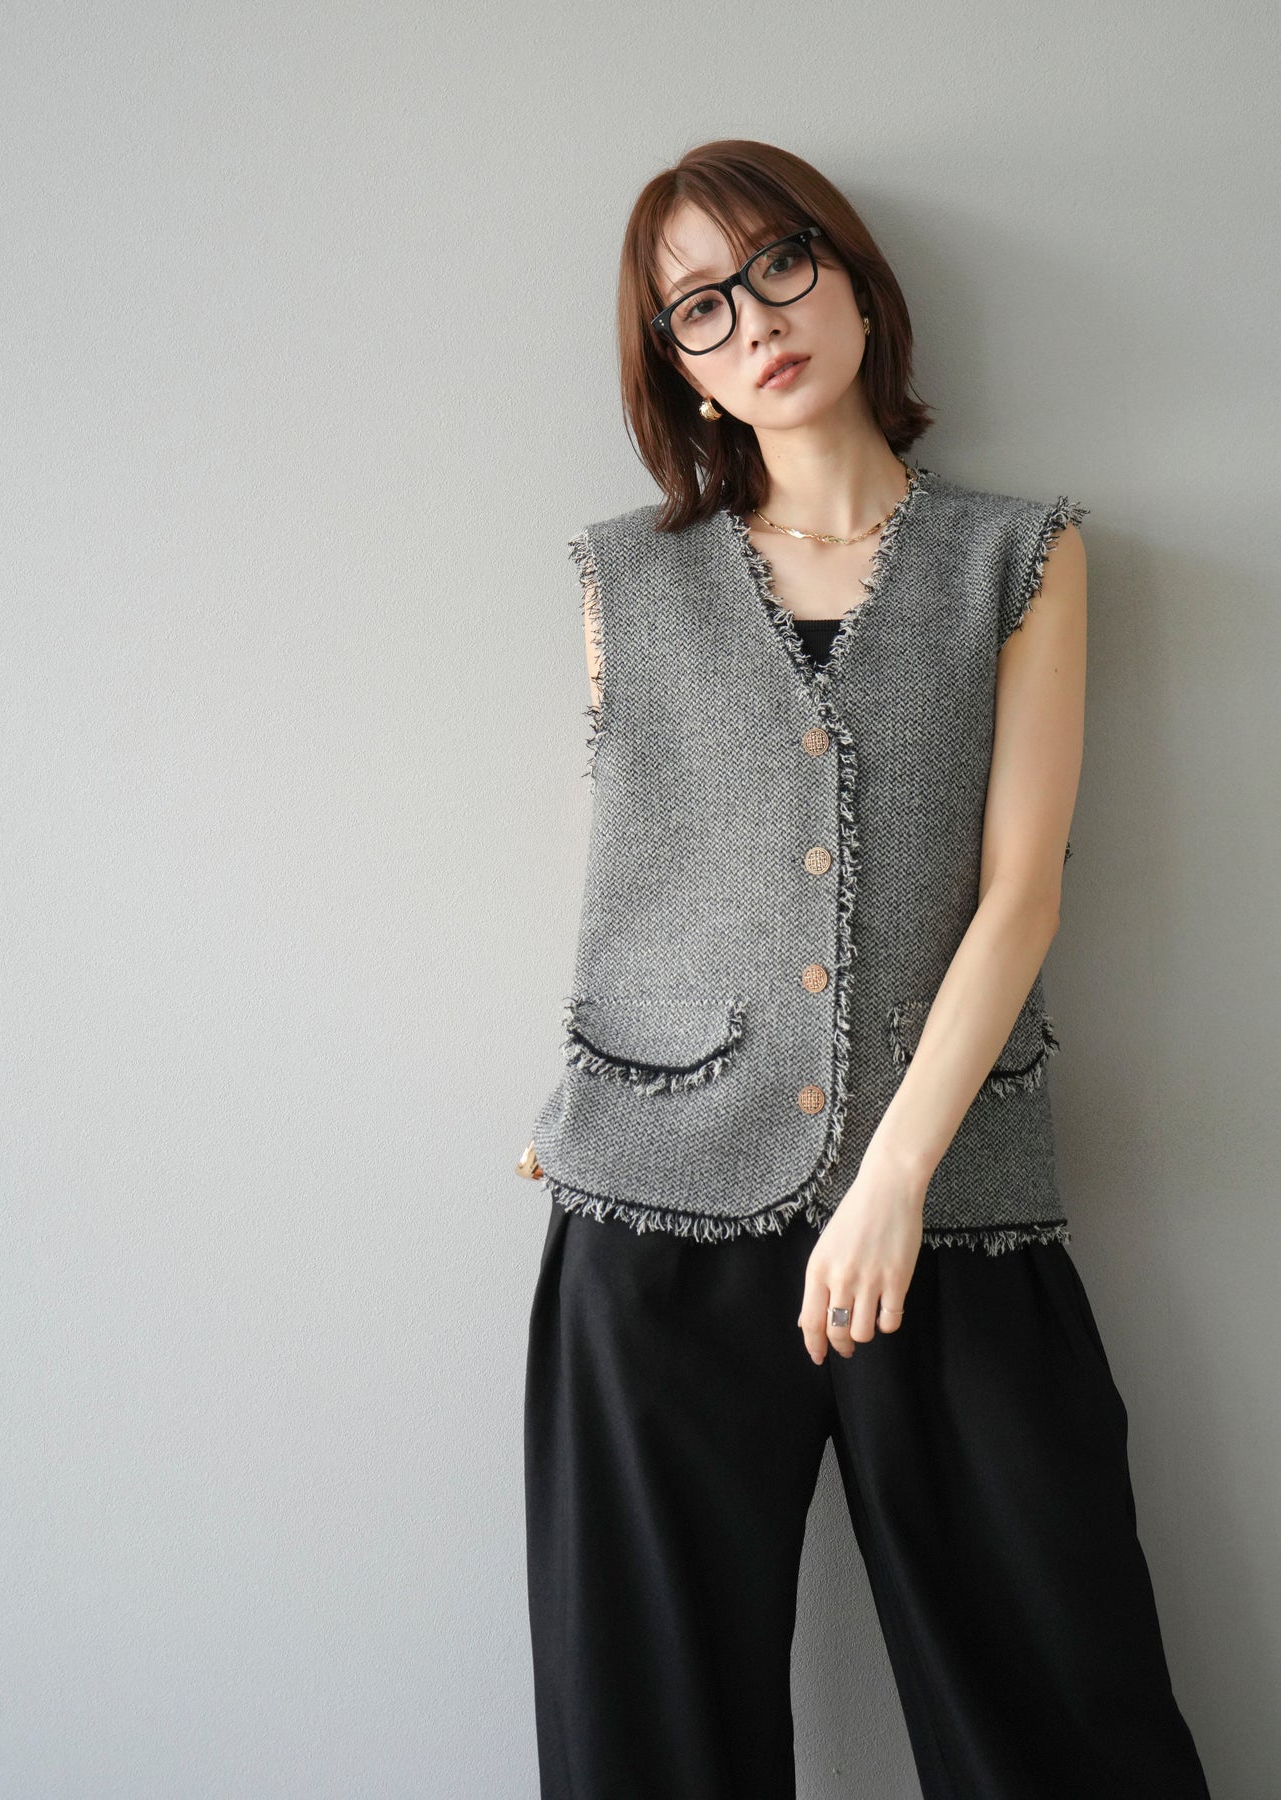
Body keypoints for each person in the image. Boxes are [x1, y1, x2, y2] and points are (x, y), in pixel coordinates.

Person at [515, 138, 1213, 1800]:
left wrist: (891, 1180)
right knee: (649, 1738)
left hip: (948, 1197)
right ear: (674, 366)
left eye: (779, 264)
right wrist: (583, 1103)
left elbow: (1020, 892)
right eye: (698, 305)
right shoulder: (623, 577)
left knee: (1061, 1714)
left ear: (850, 279)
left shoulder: (1017, 555)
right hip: (659, 1203)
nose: (754, 318)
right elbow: (649, 870)